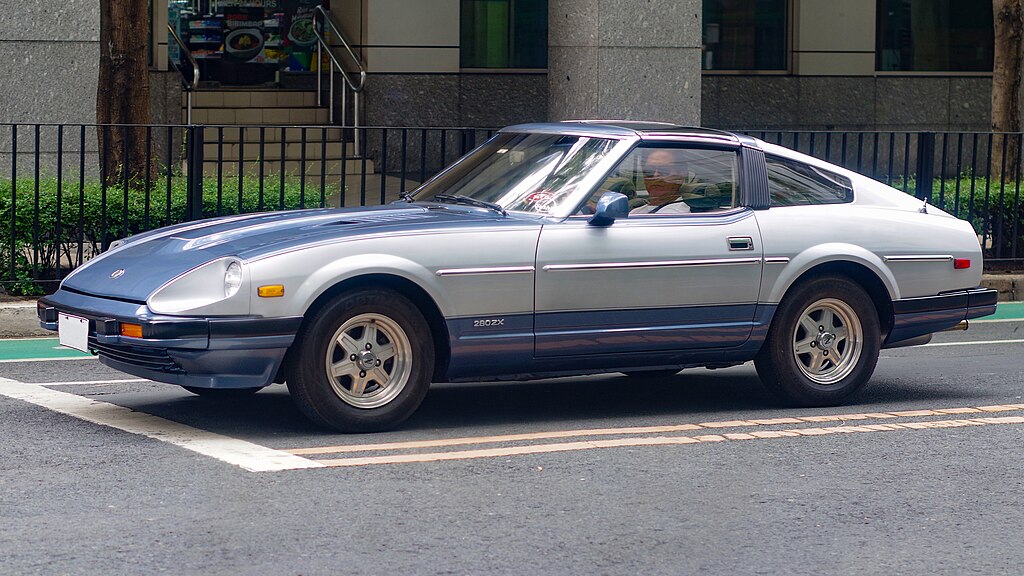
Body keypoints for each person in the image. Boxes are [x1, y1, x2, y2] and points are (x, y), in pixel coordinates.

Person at [630, 148, 695, 214]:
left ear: (681, 174)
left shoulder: (675, 214)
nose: (656, 176)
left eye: (663, 170)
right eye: (649, 171)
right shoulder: (637, 211)